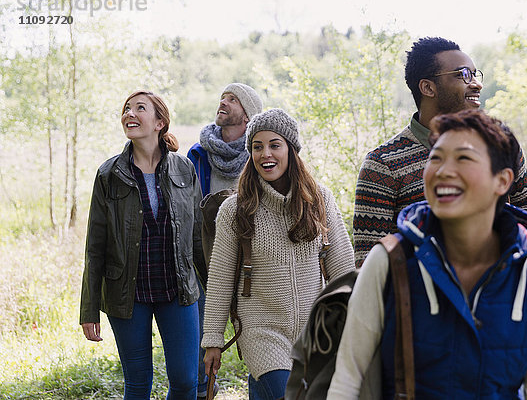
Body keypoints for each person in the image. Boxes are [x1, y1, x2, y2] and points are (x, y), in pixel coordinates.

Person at [328, 109, 527, 399]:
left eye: (463, 158)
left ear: (502, 181)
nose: (443, 171)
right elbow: (348, 381)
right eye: (435, 158)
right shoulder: (391, 261)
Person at [202, 108, 355, 400]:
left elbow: (343, 269)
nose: (265, 154)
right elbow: (220, 279)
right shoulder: (235, 210)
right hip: (261, 332)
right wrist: (213, 340)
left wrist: (356, 323)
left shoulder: (320, 199)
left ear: (291, 149)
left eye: (274, 145)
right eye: (257, 147)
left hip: (314, 333)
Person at [353, 37, 527, 267]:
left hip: (498, 291)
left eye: (475, 74)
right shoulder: (382, 164)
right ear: (428, 87)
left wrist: (488, 232)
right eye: (463, 74)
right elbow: (367, 262)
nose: (476, 84)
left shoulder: (500, 145)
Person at [80, 91, 205, 400]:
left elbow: (199, 238)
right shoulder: (109, 175)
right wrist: (89, 309)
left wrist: (217, 298)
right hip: (127, 295)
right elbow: (95, 246)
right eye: (126, 109)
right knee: (137, 385)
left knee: (187, 382)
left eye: (139, 108)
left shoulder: (184, 169)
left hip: (178, 291)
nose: (129, 114)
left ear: (160, 122)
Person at [187, 82, 263, 399]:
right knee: (200, 332)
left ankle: (263, 386)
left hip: (251, 258)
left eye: (232, 100)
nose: (224, 102)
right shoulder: (198, 155)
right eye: (222, 97)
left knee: (257, 333)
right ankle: (202, 388)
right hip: (204, 256)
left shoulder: (261, 153)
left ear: (247, 115)